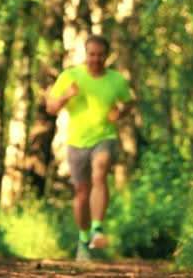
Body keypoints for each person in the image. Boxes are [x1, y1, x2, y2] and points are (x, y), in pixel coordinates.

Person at [46, 35, 133, 261]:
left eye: (100, 55)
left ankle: (97, 229)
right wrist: (67, 95)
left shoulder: (116, 80)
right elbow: (51, 108)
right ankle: (83, 239)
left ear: (107, 56)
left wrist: (120, 112)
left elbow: (130, 102)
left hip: (104, 136)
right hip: (76, 141)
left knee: (100, 171)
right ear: (86, 54)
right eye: (92, 54)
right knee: (81, 192)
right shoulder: (70, 76)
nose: (96, 59)